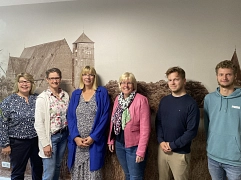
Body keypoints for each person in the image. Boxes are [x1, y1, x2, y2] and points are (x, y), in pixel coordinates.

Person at [156, 67, 200, 180]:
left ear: (184, 81)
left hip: (180, 154)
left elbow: (192, 131)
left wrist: (173, 145)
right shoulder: (164, 101)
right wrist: (161, 141)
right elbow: (158, 122)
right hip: (162, 150)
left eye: (176, 79)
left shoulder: (191, 104)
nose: (173, 83)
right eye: (170, 80)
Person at [67, 66, 110, 180]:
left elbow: (105, 117)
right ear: (82, 77)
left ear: (94, 77)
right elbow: (70, 117)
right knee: (77, 174)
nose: (88, 77)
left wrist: (93, 137)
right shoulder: (76, 94)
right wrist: (75, 137)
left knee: (94, 175)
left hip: (94, 143)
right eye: (85, 74)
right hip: (78, 145)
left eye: (91, 74)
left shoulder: (101, 92)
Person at [108, 72, 151, 180]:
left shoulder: (141, 100)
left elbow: (145, 128)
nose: (125, 85)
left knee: (135, 177)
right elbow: (113, 121)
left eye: (129, 83)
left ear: (134, 85)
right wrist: (111, 140)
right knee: (127, 175)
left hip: (134, 146)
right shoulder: (118, 99)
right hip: (119, 144)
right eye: (123, 82)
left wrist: (141, 151)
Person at [0, 73, 43, 180]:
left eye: (27, 81)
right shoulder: (9, 101)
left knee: (38, 169)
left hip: (36, 141)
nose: (25, 84)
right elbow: (2, 123)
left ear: (31, 84)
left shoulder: (37, 99)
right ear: (17, 84)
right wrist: (5, 144)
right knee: (18, 172)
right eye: (22, 81)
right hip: (17, 143)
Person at [204, 60, 241, 180]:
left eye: (228, 74)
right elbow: (207, 125)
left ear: (235, 76)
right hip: (213, 157)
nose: (224, 77)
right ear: (217, 76)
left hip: (235, 160)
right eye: (221, 74)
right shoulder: (209, 99)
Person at [34, 68, 69, 180]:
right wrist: (45, 144)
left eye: (57, 78)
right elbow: (38, 123)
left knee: (58, 167)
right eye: (52, 78)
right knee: (49, 171)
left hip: (63, 136)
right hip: (51, 138)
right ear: (47, 80)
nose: (55, 80)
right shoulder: (42, 98)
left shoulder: (65, 95)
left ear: (60, 79)